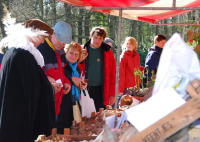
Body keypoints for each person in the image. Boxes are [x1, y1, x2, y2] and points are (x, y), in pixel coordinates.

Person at [0, 17, 57, 142]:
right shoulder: (23, 56)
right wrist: (50, 88)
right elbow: (32, 91)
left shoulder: (13, 53)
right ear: (34, 35)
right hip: (20, 122)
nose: (42, 42)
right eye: (42, 38)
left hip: (14, 118)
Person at [37, 21, 72, 118]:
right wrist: (47, 79)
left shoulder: (60, 51)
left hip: (56, 103)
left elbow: (63, 71)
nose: (61, 44)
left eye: (64, 41)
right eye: (59, 39)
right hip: (43, 103)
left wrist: (66, 82)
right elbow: (34, 74)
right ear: (52, 34)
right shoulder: (40, 48)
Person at [79, 27, 116, 112]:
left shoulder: (108, 52)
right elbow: (74, 68)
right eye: (95, 37)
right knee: (85, 116)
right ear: (90, 36)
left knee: (100, 117)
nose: (97, 41)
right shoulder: (81, 50)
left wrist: (112, 94)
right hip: (84, 88)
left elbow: (112, 74)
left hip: (102, 90)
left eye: (100, 38)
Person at [56, 42, 87, 134]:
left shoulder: (77, 68)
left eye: (76, 54)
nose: (73, 56)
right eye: (71, 53)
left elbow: (77, 82)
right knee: (61, 129)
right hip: (61, 103)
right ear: (66, 52)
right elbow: (59, 78)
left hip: (73, 103)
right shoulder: (61, 64)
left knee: (71, 128)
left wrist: (81, 85)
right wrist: (71, 79)